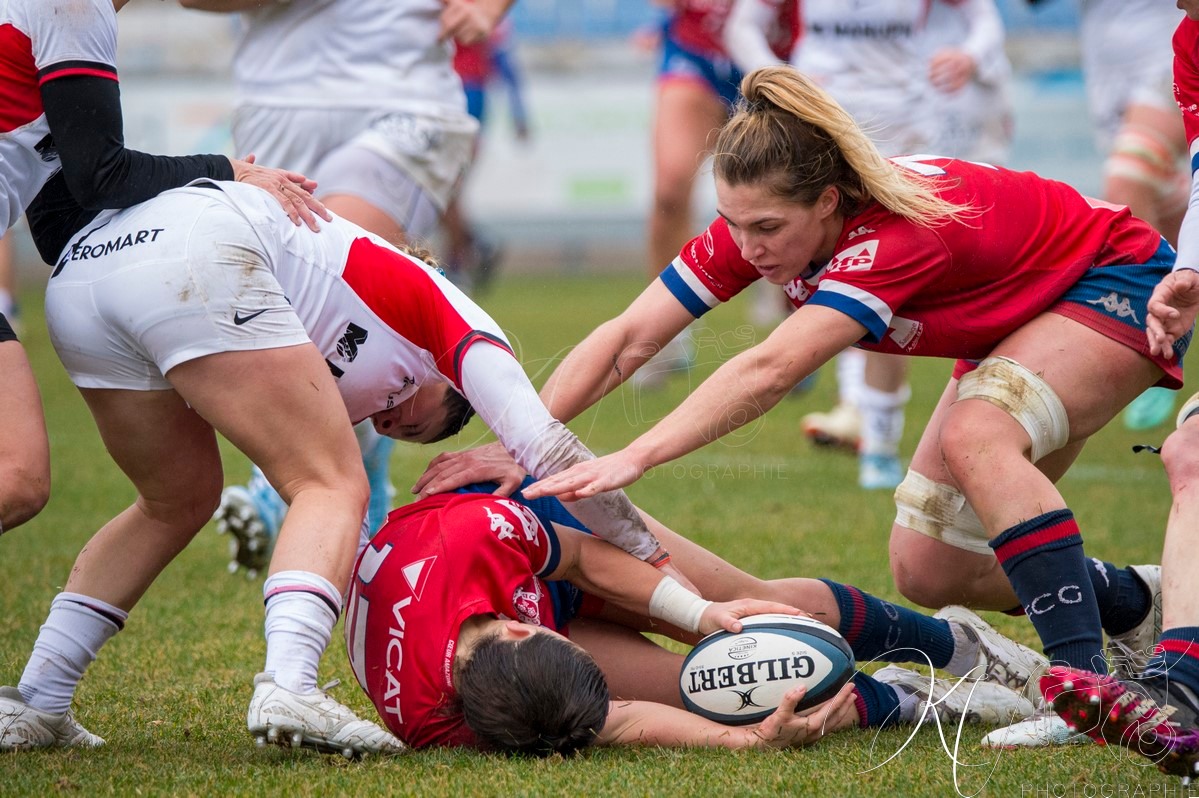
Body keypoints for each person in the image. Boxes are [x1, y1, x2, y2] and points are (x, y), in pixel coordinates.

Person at [474, 65, 1174, 716]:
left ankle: (1086, 695)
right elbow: (630, 335)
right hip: (1020, 316)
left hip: (1115, 282)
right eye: (734, 223)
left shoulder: (893, 236)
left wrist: (638, 454)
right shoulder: (762, 223)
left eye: (767, 229)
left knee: (976, 436)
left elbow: (772, 367)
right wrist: (527, 443)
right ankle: (1133, 598)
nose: (747, 248)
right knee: (928, 570)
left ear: (828, 202)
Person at [0, 176, 675, 754]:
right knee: (330, 481)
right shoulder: (449, 314)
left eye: (391, 424)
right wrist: (653, 560)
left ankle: (39, 697)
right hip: (188, 252)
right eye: (404, 408)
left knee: (175, 500)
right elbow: (549, 449)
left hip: (85, 280)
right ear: (448, 378)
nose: (384, 418)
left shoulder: (324, 338)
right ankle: (289, 686)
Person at [176, 0, 513, 573]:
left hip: (405, 97)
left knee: (341, 265)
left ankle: (280, 482)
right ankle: (357, 460)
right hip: (280, 101)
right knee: (292, 307)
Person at [348, 481, 1044, 753]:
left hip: (540, 536)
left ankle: (956, 644)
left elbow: (586, 561)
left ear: (528, 629)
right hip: (495, 597)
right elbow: (608, 720)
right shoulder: (431, 719)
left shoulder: (476, 535)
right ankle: (923, 698)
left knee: (764, 611)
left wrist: (702, 611)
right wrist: (742, 742)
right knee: (734, 690)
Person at [0, 0, 324, 539]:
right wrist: (228, 172)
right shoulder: (76, 8)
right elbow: (103, 177)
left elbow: (61, 222)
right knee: (17, 476)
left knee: (21, 477)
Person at [724, 0, 1014, 490]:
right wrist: (779, 79)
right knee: (817, 269)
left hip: (902, 128)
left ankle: (876, 434)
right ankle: (856, 406)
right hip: (816, 127)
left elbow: (984, 18)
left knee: (882, 280)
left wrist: (969, 55)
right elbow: (741, 26)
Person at [1034, 3, 1199, 782]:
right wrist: (1189, 269)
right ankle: (1180, 690)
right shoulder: (1188, 39)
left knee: (1127, 182)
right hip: (1115, 71)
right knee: (1192, 451)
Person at [634, 0, 799, 391]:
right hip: (698, 53)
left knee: (789, 194)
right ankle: (665, 338)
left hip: (780, 57)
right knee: (669, 191)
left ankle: (797, 321)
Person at [1071, 0, 1192, 430]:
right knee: (1167, 193)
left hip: (1165, 55)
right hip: (1109, 65)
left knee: (1128, 180)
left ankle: (1154, 342)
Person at [440, 18, 530, 294]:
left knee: (445, 191)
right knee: (442, 193)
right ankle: (474, 247)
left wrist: (519, 112)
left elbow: (503, 59)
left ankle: (458, 264)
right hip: (449, 99)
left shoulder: (482, 10)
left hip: (465, 100)